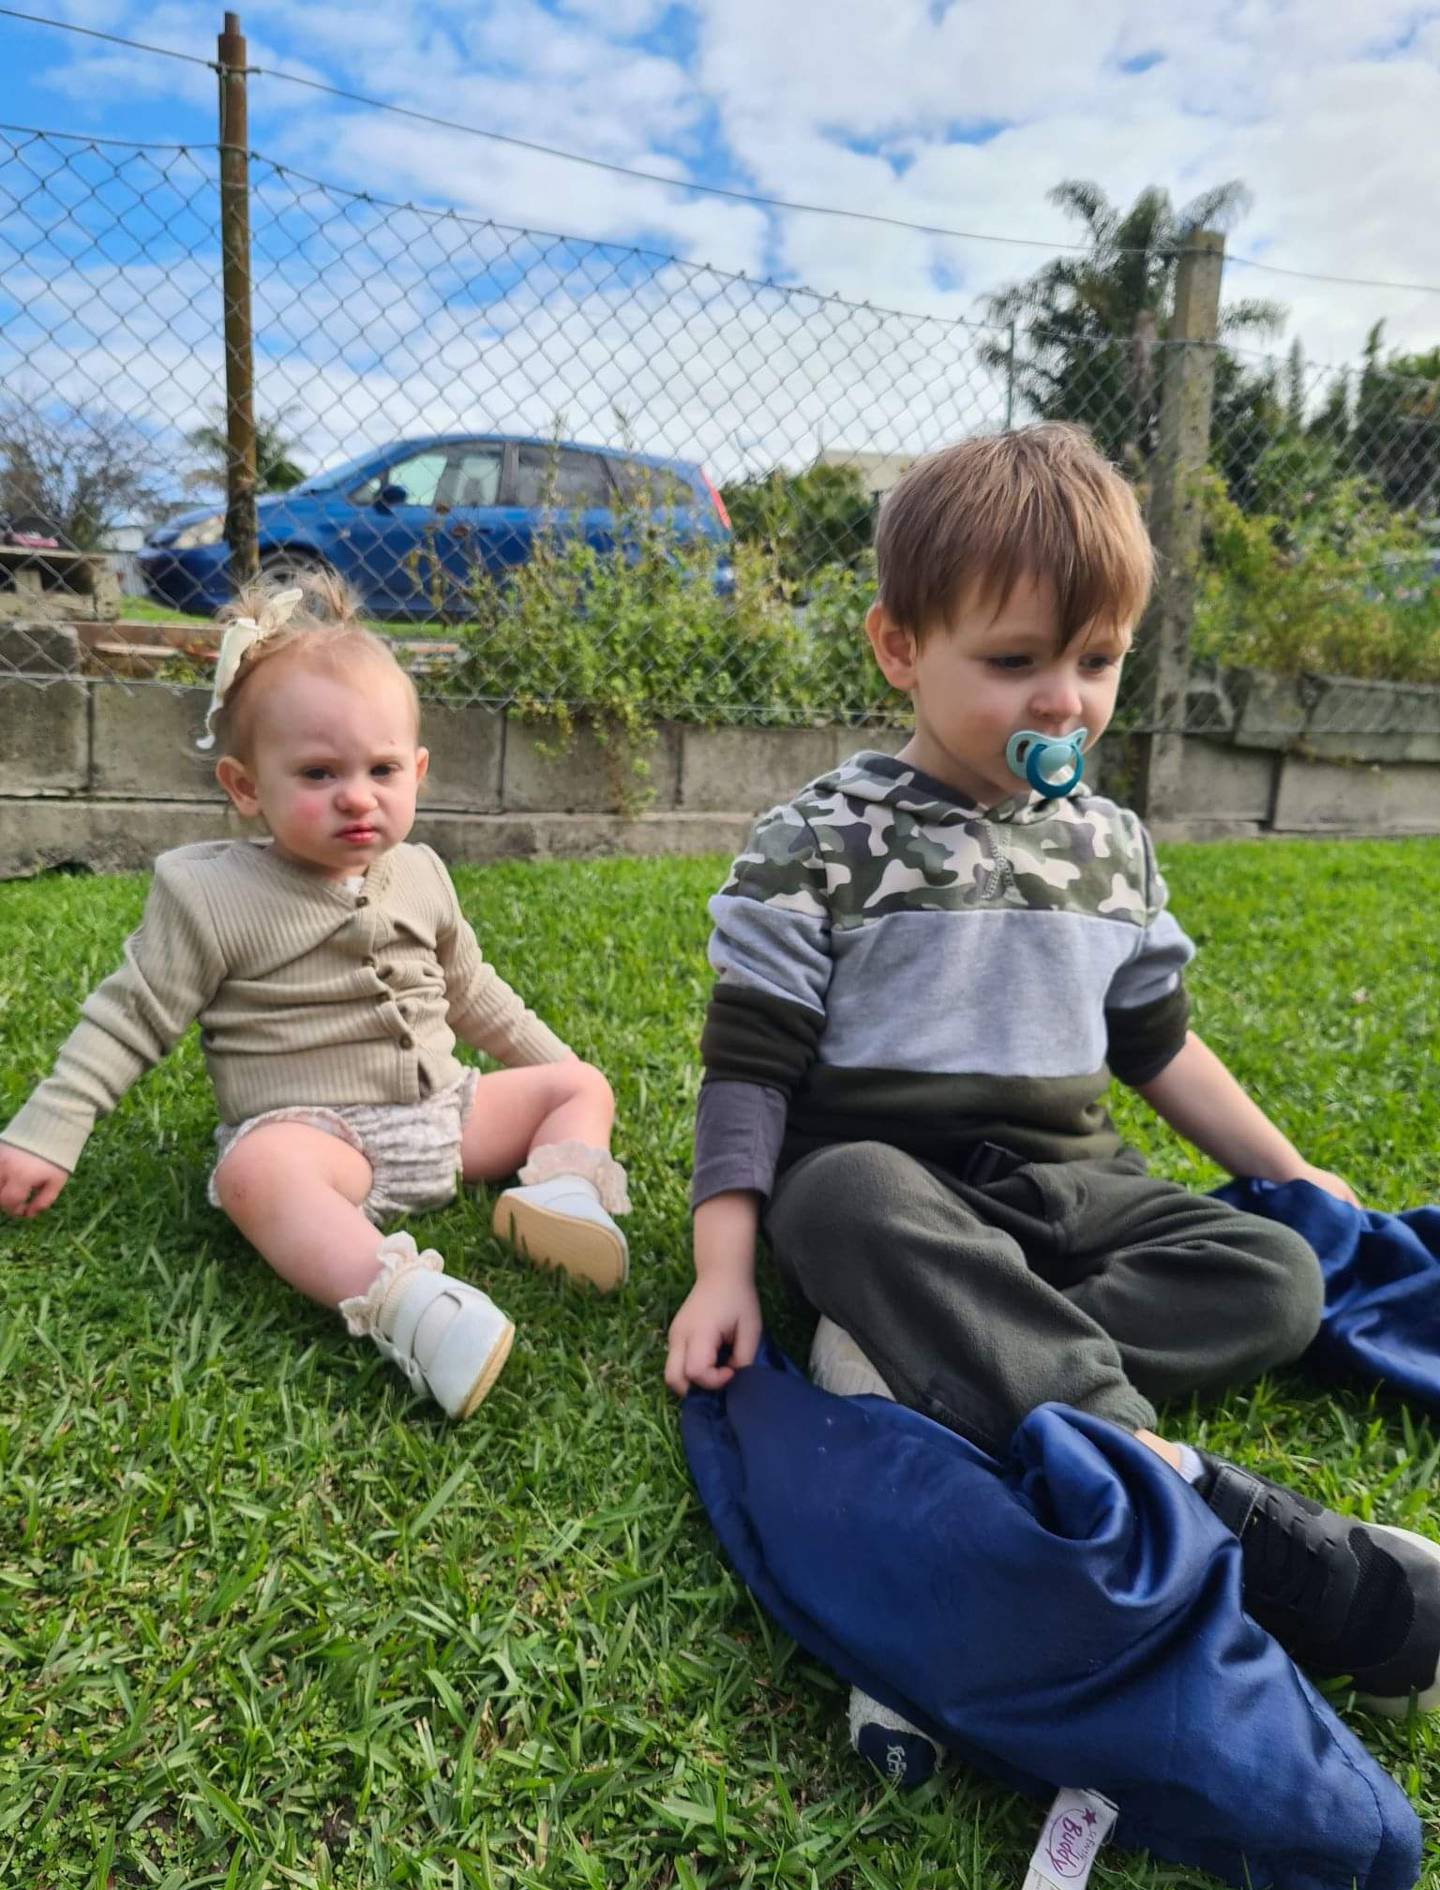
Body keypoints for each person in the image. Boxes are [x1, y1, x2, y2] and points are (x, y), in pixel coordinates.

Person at [664, 423, 1440, 1779]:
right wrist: (721, 1268)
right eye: (1014, 662)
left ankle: (934, 1374)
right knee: (835, 1196)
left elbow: (1158, 1049)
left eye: (1097, 663)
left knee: (1274, 1275)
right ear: (900, 647)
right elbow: (749, 1075)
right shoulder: (818, 840)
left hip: (1074, 1187)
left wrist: (1303, 1175)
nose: (1063, 703)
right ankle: (1175, 1487)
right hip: (893, 1186)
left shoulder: (1114, 846)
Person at [0, 573, 630, 1418]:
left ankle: (558, 1201)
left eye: (380, 769)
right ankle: (404, 1302)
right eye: (319, 772)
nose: (357, 795)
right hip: (322, 1140)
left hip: (446, 1117)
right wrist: (50, 1131)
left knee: (582, 1085)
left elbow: (475, 994)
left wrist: (556, 1075)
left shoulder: (423, 874)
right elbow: (130, 1017)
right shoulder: (208, 894)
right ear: (245, 785)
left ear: (418, 770)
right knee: (256, 1172)